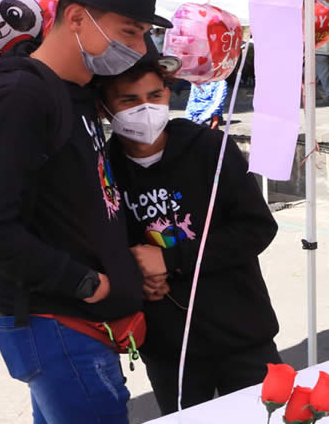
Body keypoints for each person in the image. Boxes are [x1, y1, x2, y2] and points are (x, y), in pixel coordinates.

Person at [0, 0, 175, 424]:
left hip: (80, 327)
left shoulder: (77, 93)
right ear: (76, 17)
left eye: (144, 33)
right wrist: (86, 284)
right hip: (57, 322)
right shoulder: (19, 95)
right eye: (129, 31)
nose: (138, 46)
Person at [98, 59, 281, 415]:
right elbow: (104, 245)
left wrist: (169, 260)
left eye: (155, 95)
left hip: (242, 331)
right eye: (129, 100)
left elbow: (257, 228)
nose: (145, 108)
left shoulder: (212, 148)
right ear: (105, 109)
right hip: (169, 346)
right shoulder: (104, 171)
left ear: (168, 92)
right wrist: (136, 277)